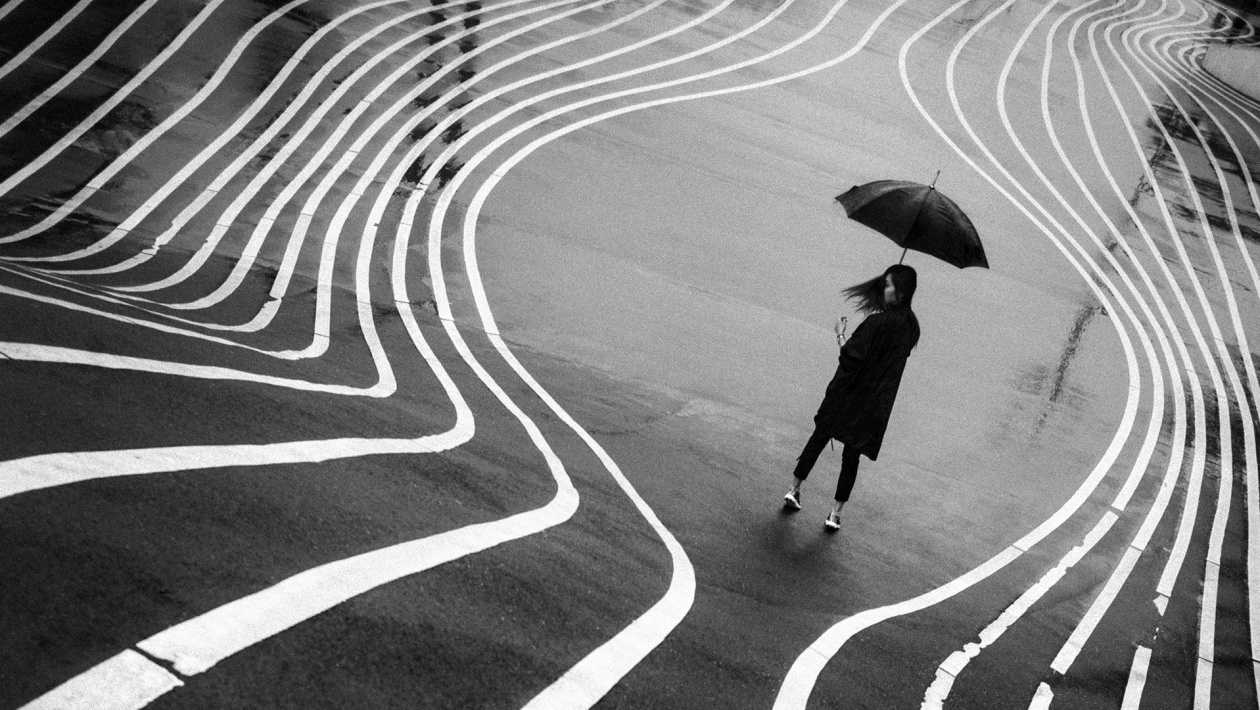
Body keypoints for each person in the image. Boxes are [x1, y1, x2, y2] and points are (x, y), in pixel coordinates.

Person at [782, 264, 921, 531]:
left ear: (901, 293)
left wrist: (840, 332)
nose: (884, 288)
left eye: (889, 285)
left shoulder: (875, 323)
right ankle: (835, 513)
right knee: (851, 456)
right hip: (874, 403)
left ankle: (794, 488)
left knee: (820, 436)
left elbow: (850, 356)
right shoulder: (911, 329)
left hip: (849, 394)